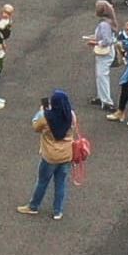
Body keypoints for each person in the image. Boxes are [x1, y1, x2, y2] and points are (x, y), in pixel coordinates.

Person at [26, 89, 82, 219]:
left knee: (42, 181)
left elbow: (35, 126)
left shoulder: (46, 117)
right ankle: (58, 211)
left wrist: (40, 112)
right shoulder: (71, 115)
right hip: (67, 155)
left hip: (50, 156)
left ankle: (33, 206)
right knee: (61, 183)